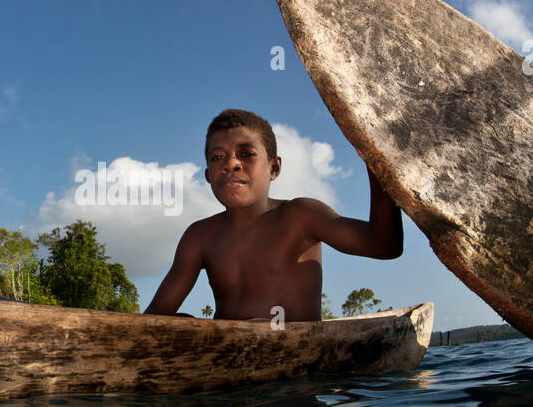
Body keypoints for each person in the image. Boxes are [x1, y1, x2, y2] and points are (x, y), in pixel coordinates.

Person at [144, 108, 403, 321]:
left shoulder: (300, 216)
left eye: (246, 154)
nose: (230, 164)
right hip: (229, 368)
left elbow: (385, 245)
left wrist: (377, 162)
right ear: (208, 176)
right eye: (217, 157)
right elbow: (156, 315)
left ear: (274, 167)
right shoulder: (199, 236)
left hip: (303, 376)